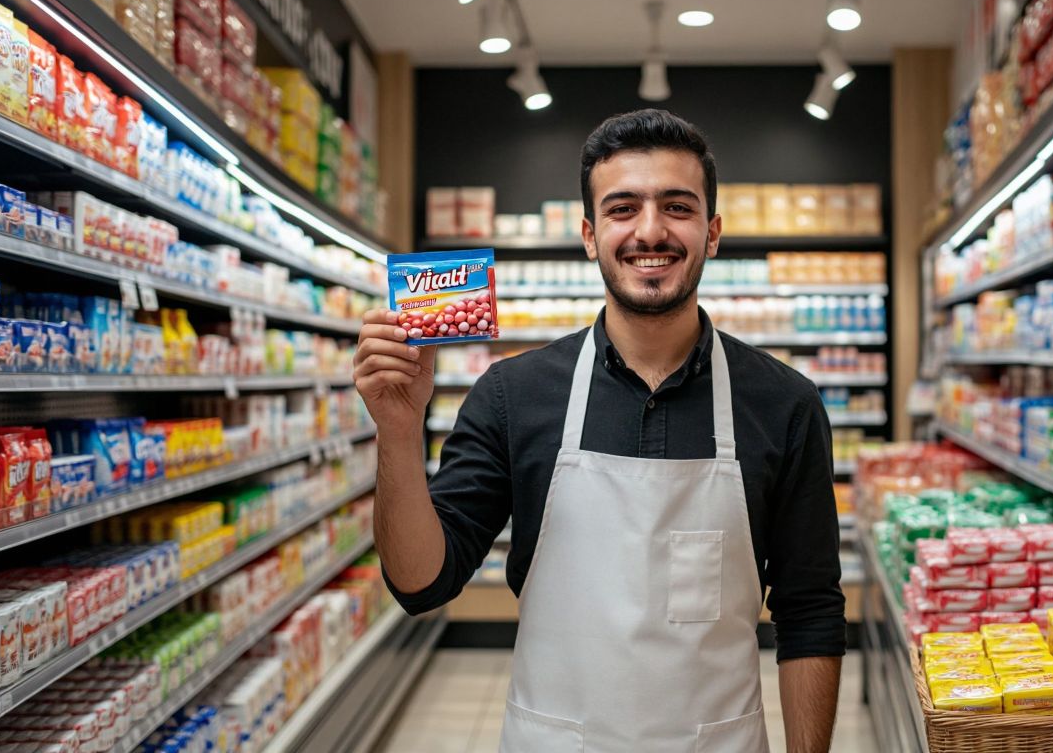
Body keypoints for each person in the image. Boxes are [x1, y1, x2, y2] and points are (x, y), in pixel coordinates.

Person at [355, 108, 845, 752]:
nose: (650, 230)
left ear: (713, 231)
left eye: (677, 206)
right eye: (622, 208)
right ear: (589, 234)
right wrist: (397, 430)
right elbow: (421, 583)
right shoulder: (512, 395)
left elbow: (810, 611)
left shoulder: (784, 403)